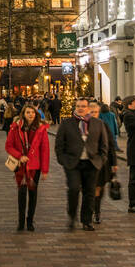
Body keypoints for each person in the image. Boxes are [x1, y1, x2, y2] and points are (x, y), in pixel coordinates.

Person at [54, 96, 110, 231]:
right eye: (78, 106)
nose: (80, 109)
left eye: (83, 106)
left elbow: (104, 144)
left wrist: (101, 159)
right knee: (73, 189)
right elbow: (59, 144)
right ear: (75, 107)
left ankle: (86, 220)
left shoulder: (97, 123)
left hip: (92, 163)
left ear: (88, 108)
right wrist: (63, 160)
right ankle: (72, 217)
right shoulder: (67, 123)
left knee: (89, 192)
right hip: (73, 163)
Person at [5, 104, 50, 231]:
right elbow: (9, 146)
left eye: (33, 112)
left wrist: (45, 170)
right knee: (22, 193)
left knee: (33, 193)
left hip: (35, 166)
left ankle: (30, 220)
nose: (31, 114)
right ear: (23, 114)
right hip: (20, 166)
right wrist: (19, 156)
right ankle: (20, 221)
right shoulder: (16, 128)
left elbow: (45, 150)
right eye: (28, 112)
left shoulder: (41, 129)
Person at [94, 102, 119, 224]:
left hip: (102, 162)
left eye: (95, 112)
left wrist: (114, 163)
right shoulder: (82, 125)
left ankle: (96, 211)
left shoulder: (103, 125)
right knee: (89, 188)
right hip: (87, 163)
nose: (93, 114)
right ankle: (91, 209)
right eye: (91, 112)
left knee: (99, 187)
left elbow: (111, 145)